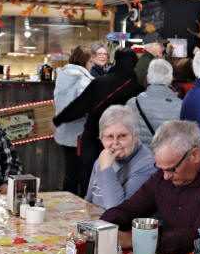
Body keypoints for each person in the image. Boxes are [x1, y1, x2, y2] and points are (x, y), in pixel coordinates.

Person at [101, 121, 200, 254]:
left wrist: (135, 240)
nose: (165, 177)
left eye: (172, 169)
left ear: (195, 155)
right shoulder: (165, 172)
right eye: (160, 168)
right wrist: (102, 226)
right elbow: (130, 208)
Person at [53, 48, 144, 195]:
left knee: (87, 176)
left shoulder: (98, 82)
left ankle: (84, 206)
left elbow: (79, 106)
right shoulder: (137, 88)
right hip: (119, 140)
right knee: (112, 177)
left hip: (91, 136)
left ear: (115, 61)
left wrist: (59, 120)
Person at [85, 105, 156, 209]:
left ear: (135, 136)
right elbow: (88, 201)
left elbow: (118, 210)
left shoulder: (148, 165)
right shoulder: (105, 157)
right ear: (101, 139)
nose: (115, 143)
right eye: (109, 137)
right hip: (95, 222)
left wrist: (105, 168)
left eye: (122, 136)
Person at [53, 45, 94, 195]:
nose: (92, 65)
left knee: (70, 173)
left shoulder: (63, 76)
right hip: (79, 134)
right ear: (84, 62)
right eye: (91, 62)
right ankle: (83, 208)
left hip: (64, 132)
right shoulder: (83, 81)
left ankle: (66, 205)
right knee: (83, 175)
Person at [126, 58, 183, 146]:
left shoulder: (133, 103)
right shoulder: (181, 105)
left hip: (141, 157)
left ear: (148, 77)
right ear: (171, 78)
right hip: (168, 157)